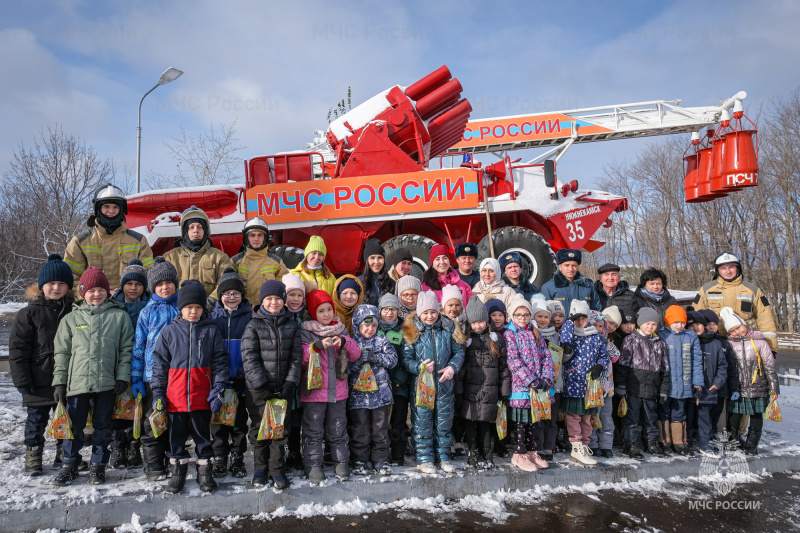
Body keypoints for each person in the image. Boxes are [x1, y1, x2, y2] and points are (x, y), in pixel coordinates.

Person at [52, 267, 134, 486]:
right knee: (74, 425)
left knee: (103, 425)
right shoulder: (70, 319)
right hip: (77, 384)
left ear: (108, 292)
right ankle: (69, 464)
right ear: (82, 293)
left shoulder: (120, 317)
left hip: (107, 383)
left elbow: (127, 349)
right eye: (91, 290)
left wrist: (122, 376)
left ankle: (98, 465)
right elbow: (62, 353)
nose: (96, 294)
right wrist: (59, 382)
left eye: (100, 290)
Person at [150, 280, 229, 494]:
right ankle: (178, 472)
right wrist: (158, 392)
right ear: (180, 308)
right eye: (188, 307)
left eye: (197, 307)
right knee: (176, 438)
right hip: (175, 399)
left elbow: (220, 361)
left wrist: (219, 388)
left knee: (203, 437)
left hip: (201, 397)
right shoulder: (168, 333)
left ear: (203, 308)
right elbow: (159, 365)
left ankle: (205, 471)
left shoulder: (211, 332)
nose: (193, 312)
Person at [9, 254, 75, 476]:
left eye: (61, 284)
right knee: (36, 420)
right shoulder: (29, 313)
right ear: (41, 286)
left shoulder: (74, 310)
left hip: (65, 378)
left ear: (68, 286)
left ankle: (62, 454)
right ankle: (33, 455)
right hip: (38, 376)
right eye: (51, 284)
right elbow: (18, 349)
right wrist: (21, 379)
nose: (56, 288)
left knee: (65, 418)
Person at [241, 280, 302, 489]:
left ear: (284, 300)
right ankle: (260, 468)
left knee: (279, 430)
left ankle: (277, 469)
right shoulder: (253, 325)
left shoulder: (292, 324)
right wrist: (260, 385)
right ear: (262, 301)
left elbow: (296, 356)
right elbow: (249, 358)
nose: (274, 302)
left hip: (282, 389)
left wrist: (290, 382)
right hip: (258, 390)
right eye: (269, 299)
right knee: (260, 428)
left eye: (278, 298)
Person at [300, 290, 361, 486]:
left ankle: (341, 461)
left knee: (337, 429)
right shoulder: (306, 332)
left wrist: (345, 342)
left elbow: (356, 354)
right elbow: (301, 356)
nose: (326, 314)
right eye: (321, 311)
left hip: (338, 392)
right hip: (314, 393)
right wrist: (316, 346)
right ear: (312, 313)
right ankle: (312, 465)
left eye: (329, 310)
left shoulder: (341, 330)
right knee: (313, 430)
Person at [401, 290, 465, 474]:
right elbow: (406, 359)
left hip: (445, 385)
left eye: (433, 312)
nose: (429, 316)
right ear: (419, 313)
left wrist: (452, 367)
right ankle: (425, 457)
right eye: (425, 313)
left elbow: (458, 352)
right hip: (422, 386)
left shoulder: (448, 328)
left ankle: (443, 456)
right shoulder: (412, 331)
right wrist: (418, 367)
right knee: (422, 422)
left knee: (444, 422)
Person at [130, 257, 181, 481]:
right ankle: (153, 465)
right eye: (160, 284)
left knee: (175, 422)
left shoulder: (184, 307)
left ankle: (172, 460)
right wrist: (136, 377)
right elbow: (138, 346)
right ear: (153, 288)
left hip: (178, 375)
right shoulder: (147, 313)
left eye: (169, 282)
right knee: (152, 421)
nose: (165, 287)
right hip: (152, 377)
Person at [64, 184, 154, 295]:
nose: (111, 211)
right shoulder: (80, 242)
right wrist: (94, 294)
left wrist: (125, 294)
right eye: (106, 206)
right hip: (92, 306)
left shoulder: (139, 241)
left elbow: (149, 275)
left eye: (115, 207)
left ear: (122, 209)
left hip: (128, 305)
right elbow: (71, 278)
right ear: (98, 209)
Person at [456, 296, 510, 469]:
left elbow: (503, 367)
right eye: (474, 323)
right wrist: (458, 390)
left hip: (490, 390)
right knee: (470, 422)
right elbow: (460, 369)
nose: (478, 326)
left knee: (486, 422)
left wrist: (504, 390)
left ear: (486, 321)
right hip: (470, 390)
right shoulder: (466, 342)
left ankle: (487, 452)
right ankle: (473, 451)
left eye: (481, 322)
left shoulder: (496, 340)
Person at [209, 268, 253, 479]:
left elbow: (253, 351)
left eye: (236, 293)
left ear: (242, 295)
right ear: (220, 296)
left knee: (238, 422)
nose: (232, 297)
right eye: (227, 293)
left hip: (240, 381)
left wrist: (243, 374)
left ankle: (237, 455)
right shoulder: (212, 318)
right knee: (217, 422)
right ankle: (219, 456)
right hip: (219, 382)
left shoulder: (250, 318)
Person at [109, 259, 151, 469]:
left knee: (138, 408)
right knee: (118, 408)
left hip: (143, 364)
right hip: (118, 364)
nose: (133, 288)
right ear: (122, 285)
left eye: (138, 284)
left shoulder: (151, 306)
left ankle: (134, 444)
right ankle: (118, 445)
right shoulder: (112, 305)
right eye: (129, 284)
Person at [721, 307, 779, 456]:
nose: (737, 332)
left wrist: (774, 388)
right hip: (738, 387)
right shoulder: (729, 344)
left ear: (744, 324)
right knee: (734, 414)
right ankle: (733, 440)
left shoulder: (760, 343)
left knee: (756, 415)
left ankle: (752, 443)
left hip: (759, 386)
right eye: (733, 330)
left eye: (738, 327)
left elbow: (769, 366)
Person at [504, 296, 553, 472]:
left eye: (526, 315)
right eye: (518, 315)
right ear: (512, 316)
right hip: (521, 386)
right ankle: (519, 453)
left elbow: (545, 355)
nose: (522, 318)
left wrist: (546, 377)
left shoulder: (534, 331)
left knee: (533, 420)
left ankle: (532, 450)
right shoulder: (510, 333)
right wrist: (530, 379)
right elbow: (513, 360)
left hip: (538, 385)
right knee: (521, 422)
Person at [694, 252, 778, 353]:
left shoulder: (752, 290)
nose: (728, 271)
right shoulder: (706, 290)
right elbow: (696, 318)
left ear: (738, 268)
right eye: (723, 268)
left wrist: (771, 348)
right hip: (715, 343)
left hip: (746, 344)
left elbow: (765, 320)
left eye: (731, 267)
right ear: (716, 271)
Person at [348, 304, 398, 476]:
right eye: (365, 325)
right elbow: (345, 367)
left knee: (380, 428)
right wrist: (357, 362)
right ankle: (360, 459)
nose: (370, 329)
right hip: (359, 397)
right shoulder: (352, 342)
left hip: (380, 397)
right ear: (357, 325)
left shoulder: (382, 340)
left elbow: (392, 360)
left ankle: (380, 459)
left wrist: (376, 358)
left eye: (373, 325)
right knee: (359, 428)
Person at [615, 306, 669, 460]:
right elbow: (623, 365)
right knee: (631, 418)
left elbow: (665, 368)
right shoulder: (631, 340)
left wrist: (664, 389)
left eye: (653, 324)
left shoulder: (660, 343)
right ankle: (630, 444)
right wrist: (622, 386)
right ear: (640, 323)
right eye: (647, 324)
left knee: (651, 417)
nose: (650, 327)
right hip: (634, 386)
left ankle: (651, 443)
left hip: (652, 387)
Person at [560, 300, 609, 467]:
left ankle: (585, 445)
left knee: (587, 417)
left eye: (583, 318)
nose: (580, 322)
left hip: (590, 385)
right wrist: (568, 323)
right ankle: (576, 445)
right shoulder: (570, 335)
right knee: (573, 417)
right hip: (573, 382)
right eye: (576, 319)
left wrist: (599, 366)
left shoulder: (595, 336)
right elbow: (564, 344)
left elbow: (604, 356)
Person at [163, 205, 234, 301]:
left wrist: (210, 304)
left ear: (205, 231)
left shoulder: (219, 257)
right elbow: (162, 286)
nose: (195, 230)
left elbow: (226, 283)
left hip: (210, 313)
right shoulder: (170, 257)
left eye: (200, 227)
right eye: (191, 227)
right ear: (185, 231)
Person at [657, 305, 702, 456]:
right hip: (666, 384)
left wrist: (697, 382)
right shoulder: (662, 335)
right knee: (663, 412)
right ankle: (665, 441)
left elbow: (697, 361)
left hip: (684, 384)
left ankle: (680, 442)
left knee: (679, 413)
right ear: (668, 322)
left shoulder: (690, 336)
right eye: (675, 322)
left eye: (682, 322)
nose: (679, 325)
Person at [685, 311, 729, 457]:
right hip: (688, 389)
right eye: (691, 325)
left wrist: (717, 383)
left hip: (709, 388)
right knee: (688, 418)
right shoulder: (686, 342)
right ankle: (688, 443)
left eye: (698, 324)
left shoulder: (715, 344)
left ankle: (705, 444)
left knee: (705, 419)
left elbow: (723, 366)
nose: (696, 328)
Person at [225, 217, 289, 307]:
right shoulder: (235, 261)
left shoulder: (276, 262)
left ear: (265, 238)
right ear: (247, 238)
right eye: (252, 235)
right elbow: (228, 286)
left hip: (266, 311)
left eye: (260, 235)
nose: (256, 239)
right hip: (242, 310)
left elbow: (283, 289)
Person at [530, 299, 564, 461]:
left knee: (552, 419)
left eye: (545, 316)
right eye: (539, 316)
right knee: (538, 418)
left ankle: (549, 446)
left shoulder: (557, 335)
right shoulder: (531, 335)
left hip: (554, 385)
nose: (542, 320)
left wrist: (567, 351)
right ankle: (538, 446)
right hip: (538, 385)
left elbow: (564, 359)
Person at [380, 294, 410, 466]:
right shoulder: (374, 329)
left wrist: (398, 380)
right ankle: (381, 452)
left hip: (399, 387)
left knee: (398, 421)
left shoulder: (404, 330)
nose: (390, 313)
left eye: (393, 309)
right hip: (378, 385)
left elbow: (406, 358)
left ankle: (398, 453)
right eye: (386, 309)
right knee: (380, 422)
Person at [587, 310, 618, 459]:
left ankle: (606, 444)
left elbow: (616, 357)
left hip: (607, 389)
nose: (598, 329)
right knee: (593, 417)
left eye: (601, 326)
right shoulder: (587, 342)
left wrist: (608, 345)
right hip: (593, 389)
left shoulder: (607, 342)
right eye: (595, 325)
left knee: (606, 418)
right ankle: (592, 444)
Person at [359, 238, 396, 306]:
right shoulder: (359, 282)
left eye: (380, 257)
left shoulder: (392, 284)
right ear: (367, 261)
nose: (376, 262)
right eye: (372, 258)